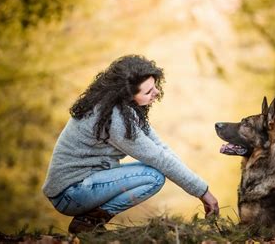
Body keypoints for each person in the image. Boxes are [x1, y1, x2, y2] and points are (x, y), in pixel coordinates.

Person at [42, 55, 219, 234]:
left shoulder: (124, 108)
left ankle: (89, 222)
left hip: (81, 185)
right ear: (127, 94)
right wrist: (203, 193)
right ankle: (88, 222)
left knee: (156, 169)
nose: (156, 93)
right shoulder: (114, 119)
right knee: (154, 177)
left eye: (155, 86)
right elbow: (158, 159)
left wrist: (199, 187)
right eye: (148, 91)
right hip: (70, 193)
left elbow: (161, 148)